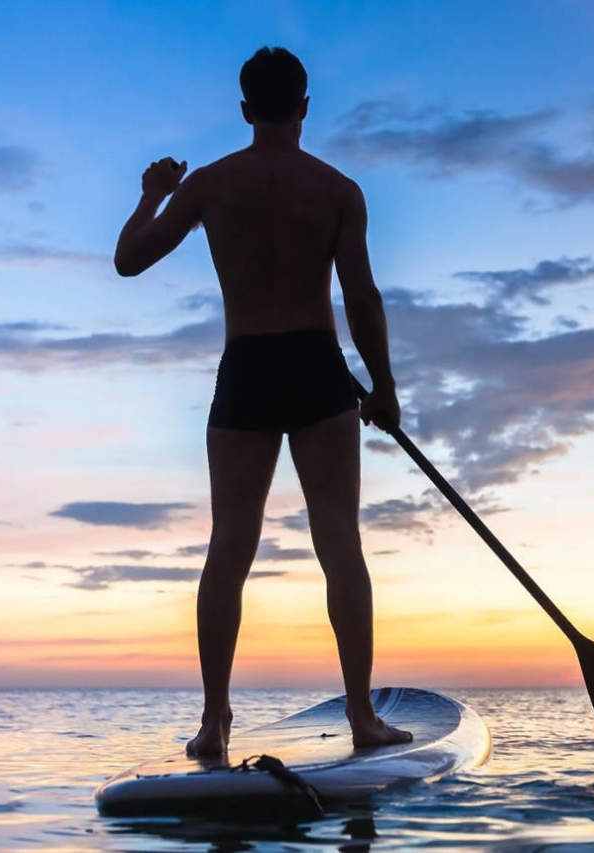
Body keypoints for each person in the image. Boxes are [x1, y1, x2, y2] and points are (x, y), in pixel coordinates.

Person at [113, 46, 411, 755]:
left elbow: (129, 258)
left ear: (245, 110)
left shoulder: (211, 187)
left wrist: (153, 191)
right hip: (317, 364)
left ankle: (215, 720)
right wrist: (384, 388)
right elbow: (361, 296)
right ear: (306, 106)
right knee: (340, 540)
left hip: (246, 365)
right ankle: (362, 716)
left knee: (230, 546)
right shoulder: (338, 190)